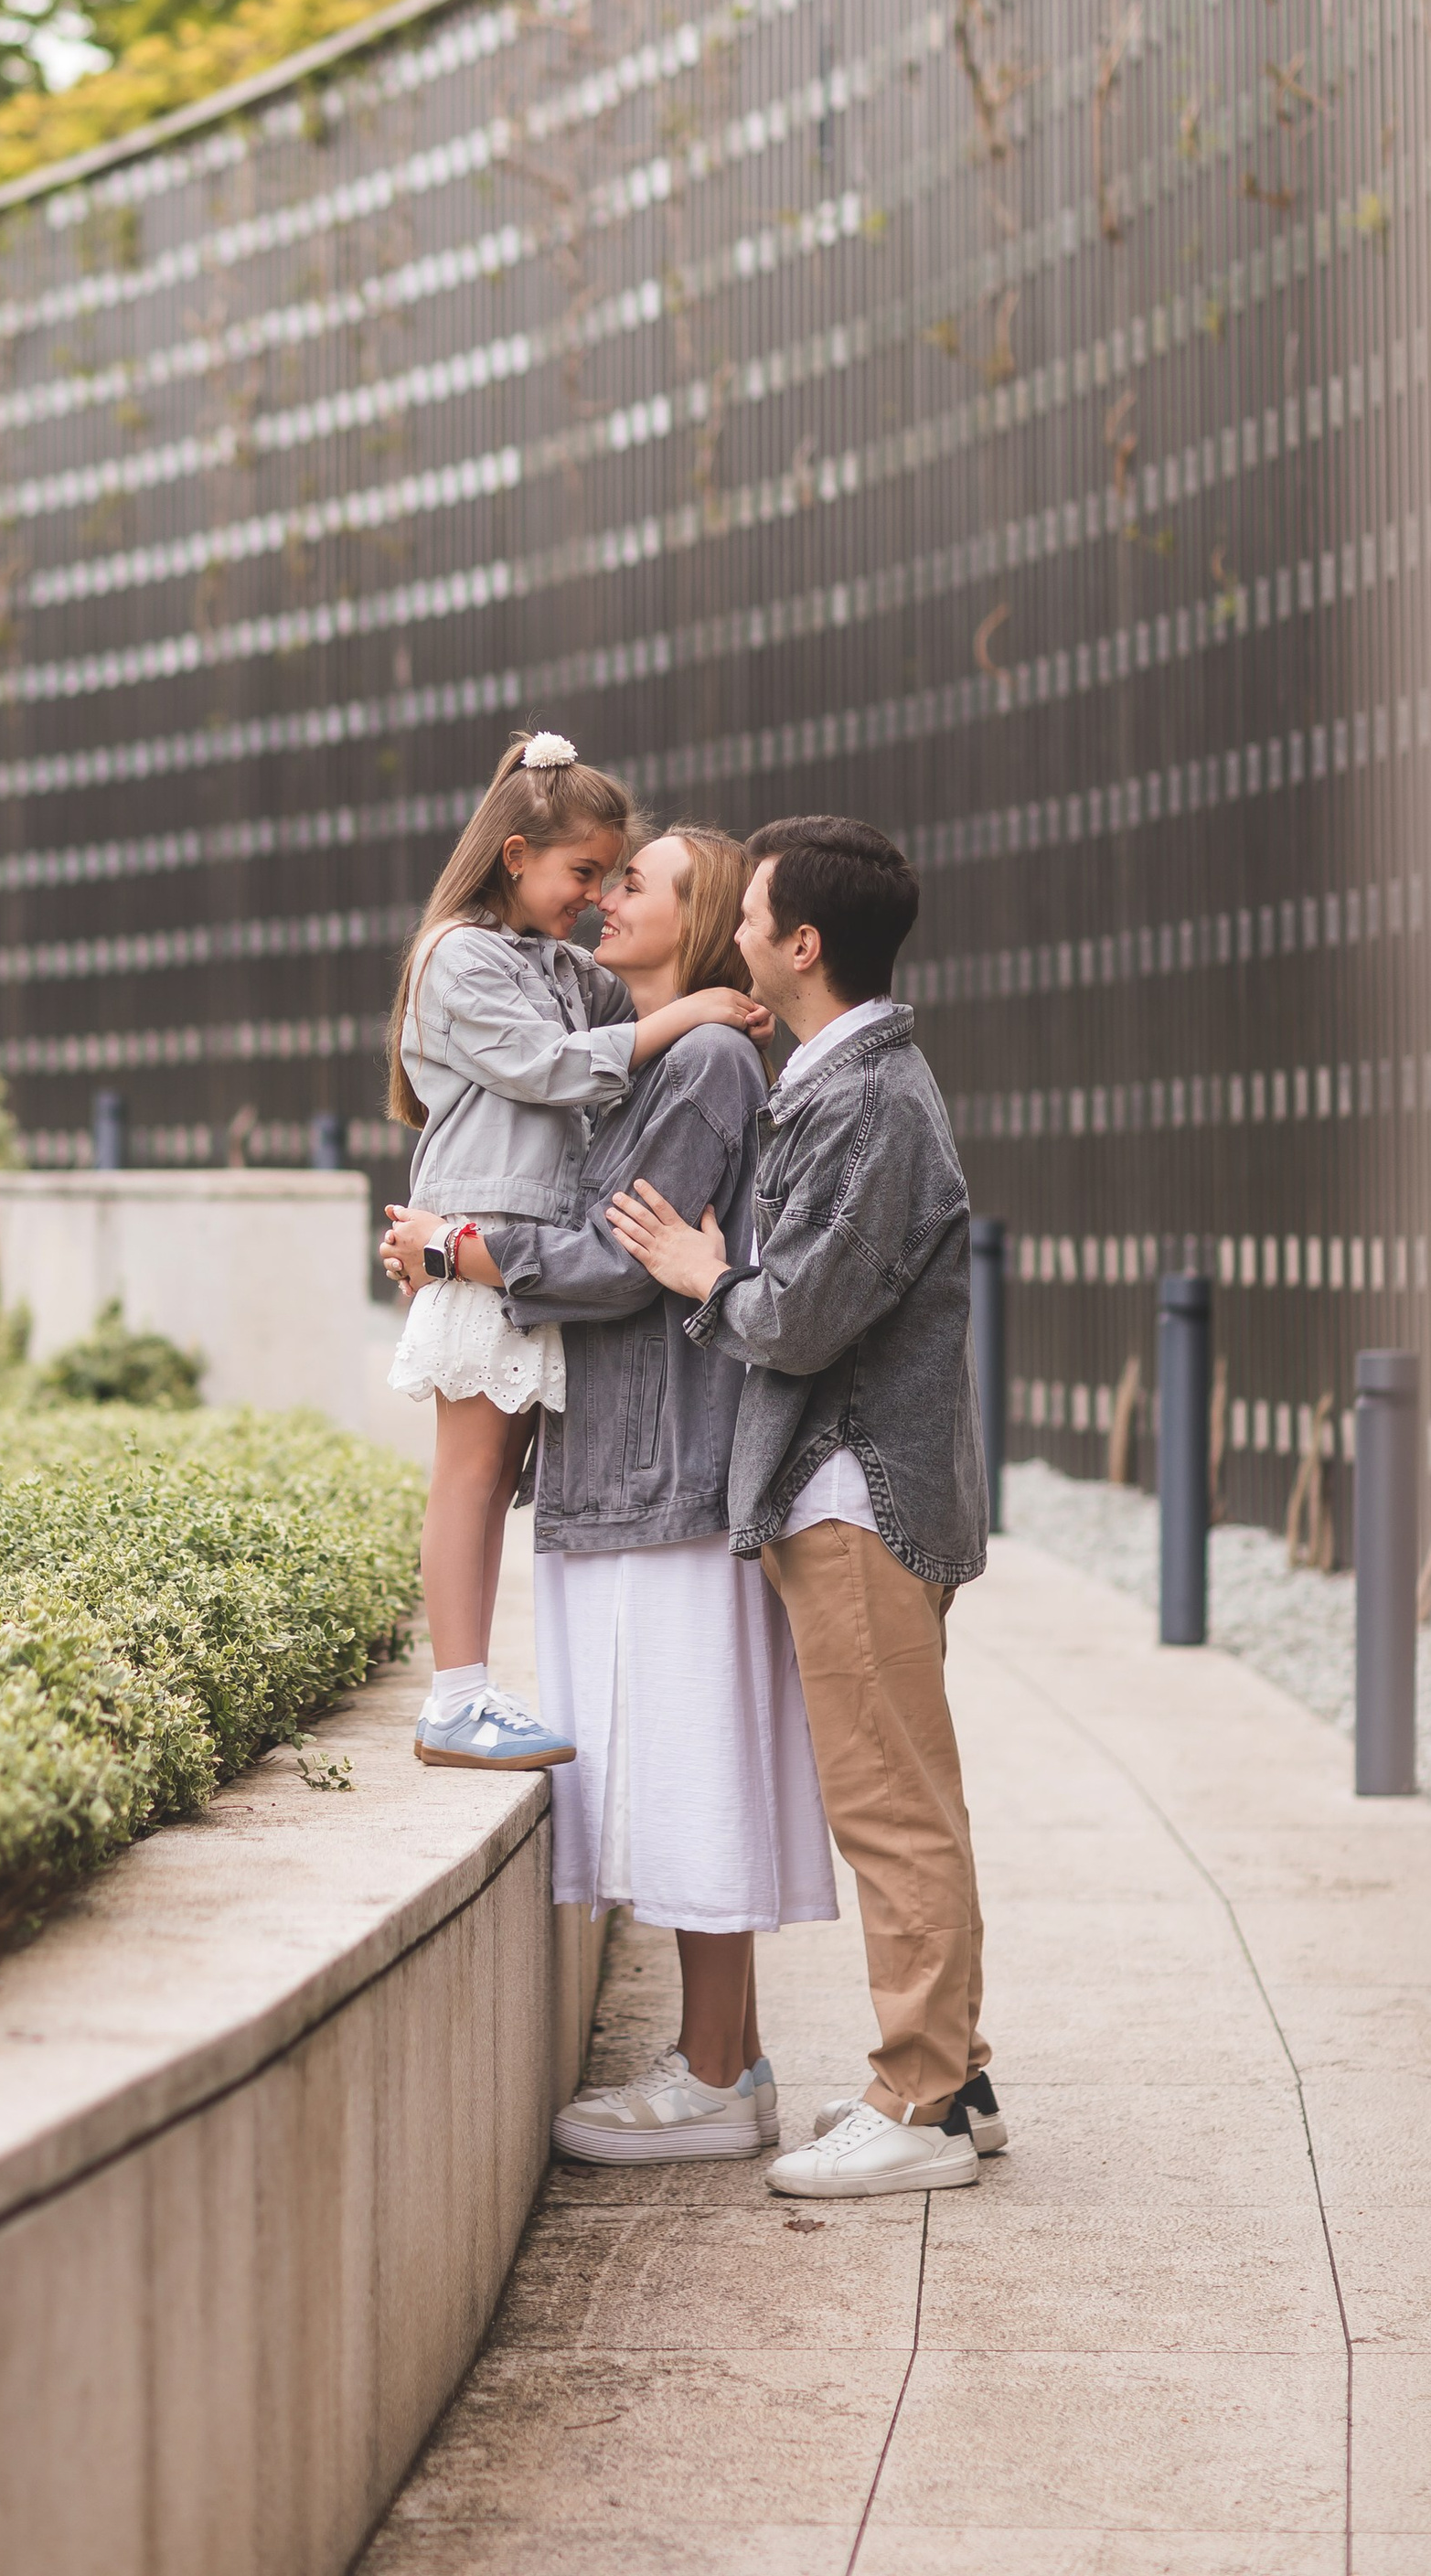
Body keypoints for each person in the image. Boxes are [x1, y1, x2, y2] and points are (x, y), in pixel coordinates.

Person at [381, 828, 835, 2161]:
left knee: (695, 1776)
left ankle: (715, 2079)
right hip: (626, 1464)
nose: (605, 897)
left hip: (667, 1470)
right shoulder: (640, 1050)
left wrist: (462, 1249)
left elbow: (618, 1259)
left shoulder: (702, 1061)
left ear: (693, 922)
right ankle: (729, 2064)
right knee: (683, 1770)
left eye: (634, 882)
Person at [605, 814, 1002, 2199]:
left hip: (853, 1496)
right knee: (907, 1793)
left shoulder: (870, 1101)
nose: (735, 933)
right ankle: (955, 2078)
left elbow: (801, 1315)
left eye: (752, 915)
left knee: (890, 1806)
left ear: (803, 945)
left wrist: (701, 1273)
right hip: (851, 1489)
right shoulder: (844, 1082)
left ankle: (922, 2103)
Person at [383, 732, 768, 1772]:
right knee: (471, 1472)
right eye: (584, 873)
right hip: (485, 1224)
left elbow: (637, 1015)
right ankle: (454, 1696)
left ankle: (468, 1688)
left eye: (613, 879)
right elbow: (555, 1067)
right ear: (515, 856)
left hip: (516, 1240)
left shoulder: (554, 963)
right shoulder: (457, 955)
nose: (596, 899)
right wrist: (695, 1010)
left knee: (494, 1470)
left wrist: (716, 1007)